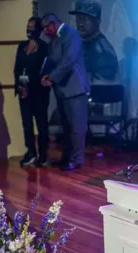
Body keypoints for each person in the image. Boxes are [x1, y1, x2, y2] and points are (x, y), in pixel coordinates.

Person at [41, 13, 89, 171]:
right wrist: (45, 77)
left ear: (53, 24)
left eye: (46, 28)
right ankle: (68, 157)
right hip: (62, 89)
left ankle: (76, 159)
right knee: (67, 127)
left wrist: (52, 77)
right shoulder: (55, 39)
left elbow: (68, 60)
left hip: (74, 89)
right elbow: (53, 60)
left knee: (76, 128)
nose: (45, 31)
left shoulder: (71, 34)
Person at [14, 17, 50, 167]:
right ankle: (31, 152)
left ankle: (43, 154)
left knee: (41, 125)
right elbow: (16, 69)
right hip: (23, 93)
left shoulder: (45, 47)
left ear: (39, 30)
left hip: (38, 93)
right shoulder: (21, 46)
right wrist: (19, 87)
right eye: (28, 27)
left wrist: (31, 86)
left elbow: (44, 71)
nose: (29, 31)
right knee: (27, 125)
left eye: (33, 28)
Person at [70, 0, 119, 85]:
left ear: (97, 21)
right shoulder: (78, 42)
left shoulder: (103, 53)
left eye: (86, 18)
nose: (81, 22)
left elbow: (103, 90)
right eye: (78, 17)